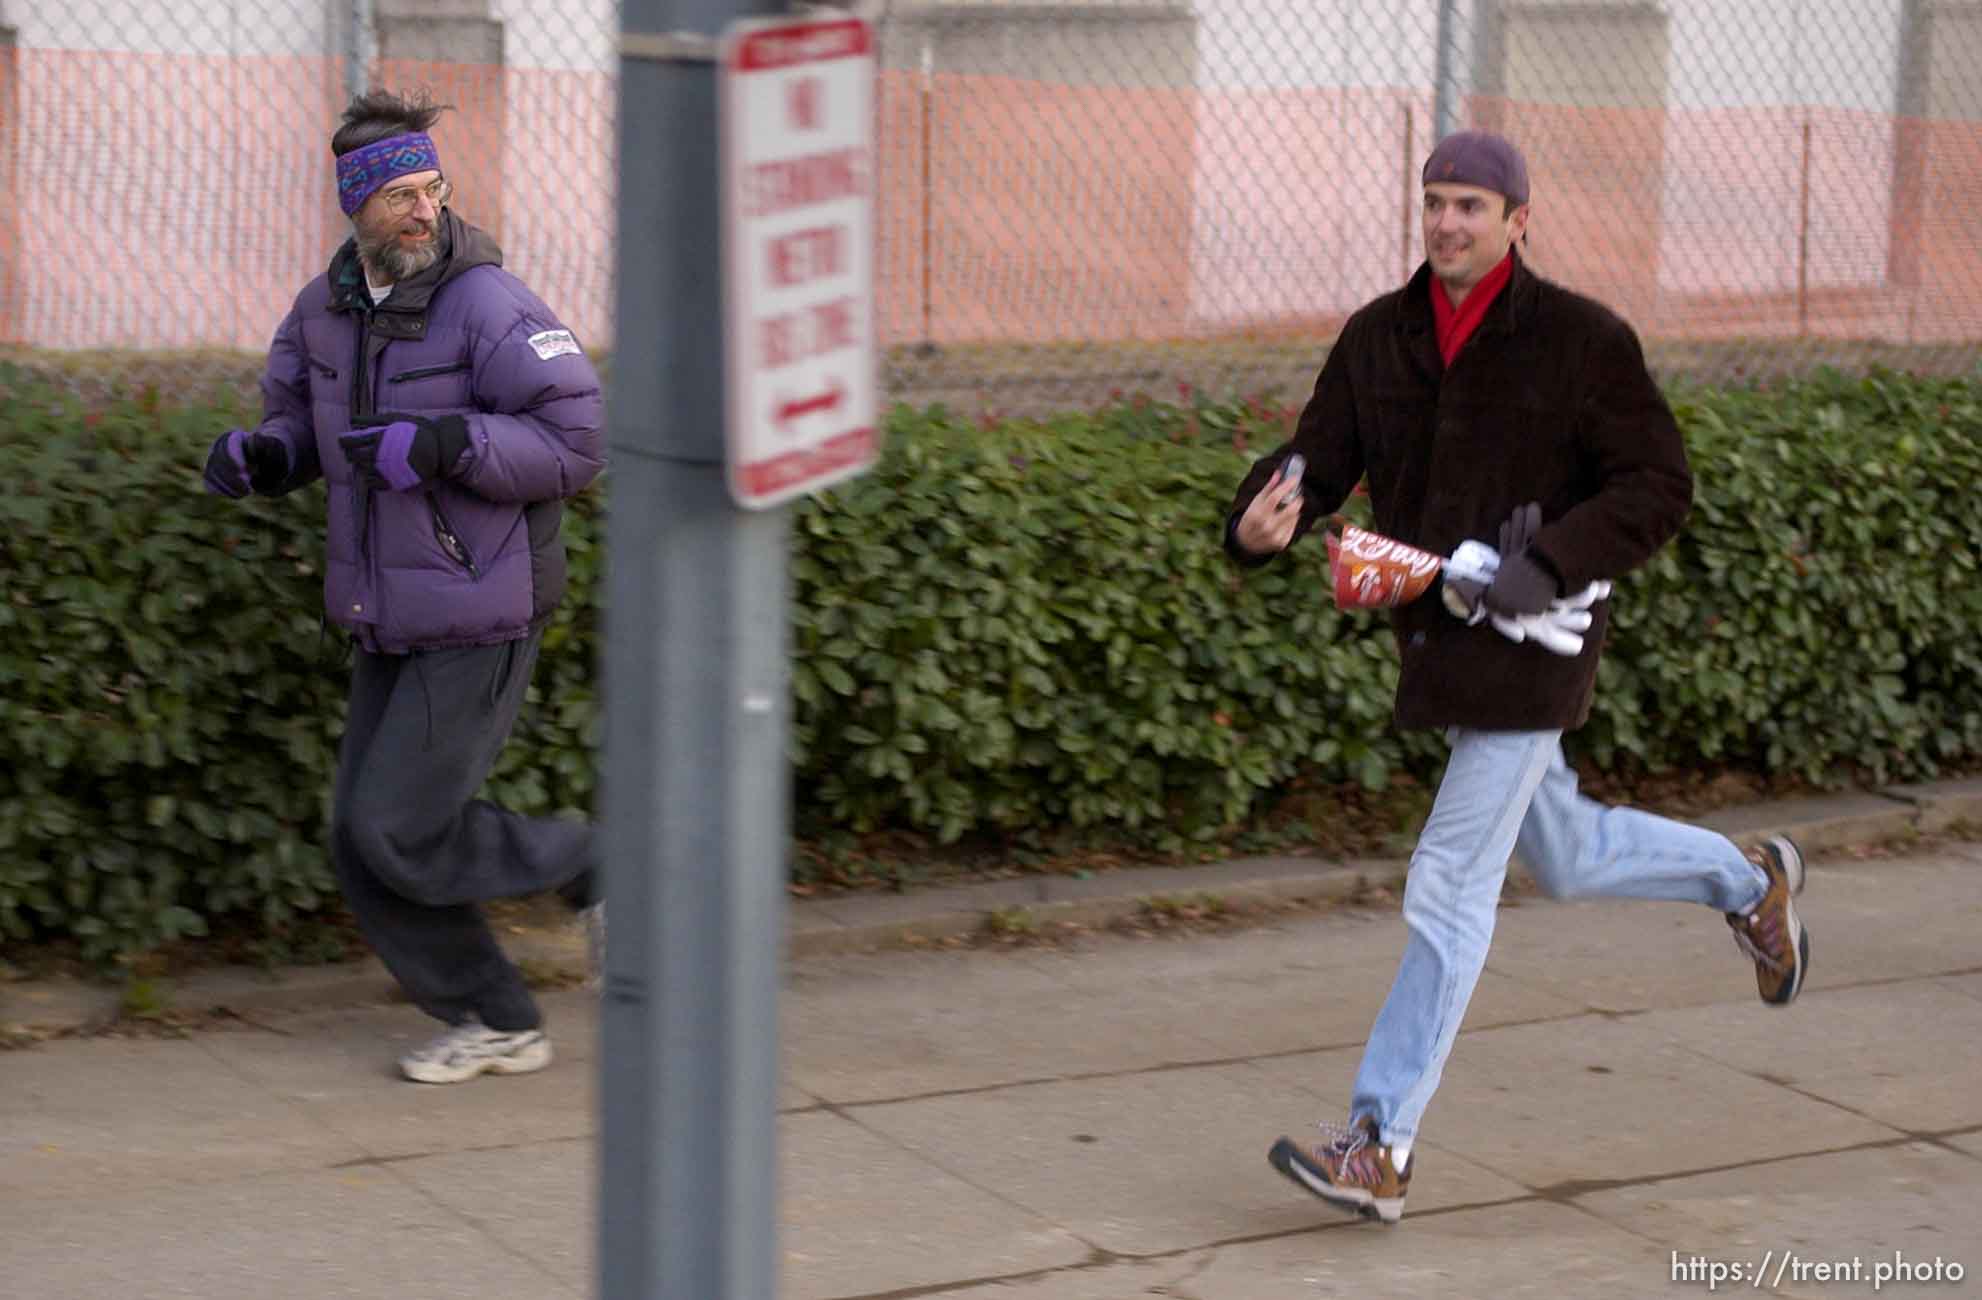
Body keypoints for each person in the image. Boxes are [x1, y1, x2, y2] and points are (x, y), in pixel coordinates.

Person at [1225, 130, 1809, 1224]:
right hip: (1440, 641)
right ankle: (1747, 880)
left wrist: (1546, 565)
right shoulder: (1376, 337)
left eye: (1470, 206)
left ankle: (1379, 1140)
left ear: (1517, 220)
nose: (1446, 221)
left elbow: (1656, 483)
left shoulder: (1580, 341)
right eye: (1434, 201)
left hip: (1536, 644)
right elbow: (1315, 457)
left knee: (1449, 882)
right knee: (1567, 850)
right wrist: (1264, 516)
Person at [203, 89, 607, 1085]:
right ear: (356, 208)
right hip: (385, 607)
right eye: (398, 197)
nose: (422, 210)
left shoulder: (488, 303)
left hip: (480, 602)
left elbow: (577, 440)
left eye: (432, 189)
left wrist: (445, 442)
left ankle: (596, 859)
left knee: (397, 822)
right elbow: (304, 428)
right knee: (359, 835)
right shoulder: (320, 313)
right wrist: (265, 456)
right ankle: (498, 1016)